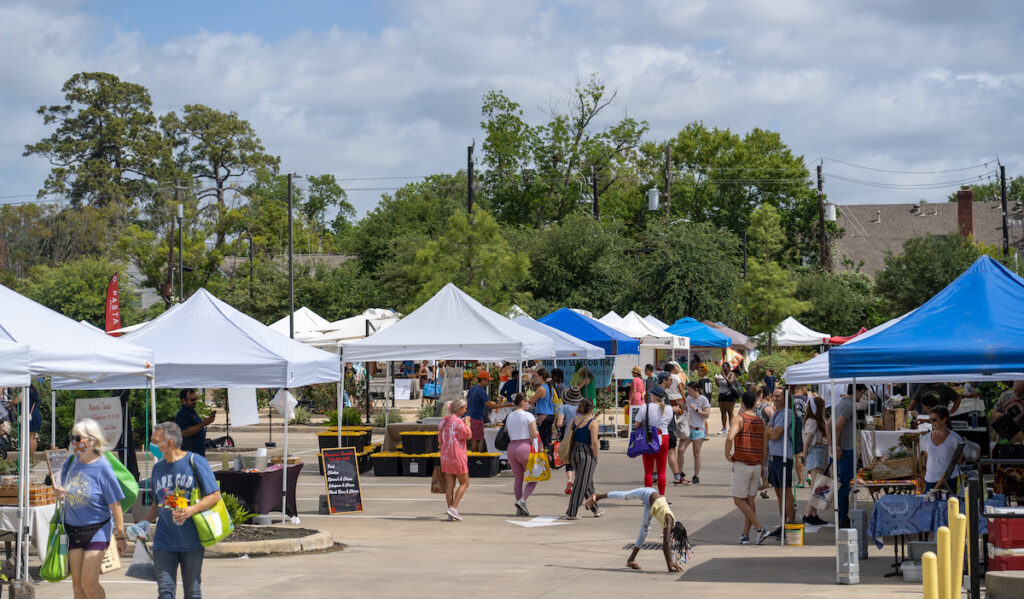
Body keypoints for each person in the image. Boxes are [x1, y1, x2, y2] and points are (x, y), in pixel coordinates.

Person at [138, 421, 220, 599]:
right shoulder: (158, 468)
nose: (152, 444)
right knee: (165, 591)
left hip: (192, 540)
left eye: (155, 440)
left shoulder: (195, 462)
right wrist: (143, 522)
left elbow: (214, 495)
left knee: (192, 592)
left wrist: (192, 509)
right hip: (164, 541)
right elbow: (157, 504)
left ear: (169, 443)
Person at [56, 419, 127, 599]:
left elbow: (115, 503)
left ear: (92, 441)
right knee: (77, 586)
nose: (74, 442)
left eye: (78, 438)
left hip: (97, 529)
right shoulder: (71, 462)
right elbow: (64, 489)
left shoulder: (102, 467)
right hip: (73, 530)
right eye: (73, 437)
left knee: (89, 582)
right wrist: (59, 493)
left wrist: (121, 535)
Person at [586, 487, 688, 572]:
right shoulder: (669, 520)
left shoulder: (671, 524)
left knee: (644, 531)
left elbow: (667, 543)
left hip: (652, 504)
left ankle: (631, 560)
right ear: (675, 532)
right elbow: (666, 542)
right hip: (647, 493)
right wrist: (670, 562)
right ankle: (597, 496)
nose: (672, 538)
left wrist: (669, 567)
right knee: (624, 495)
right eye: (674, 537)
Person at [725, 391, 771, 545]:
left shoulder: (739, 418)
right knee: (750, 500)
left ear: (742, 403)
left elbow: (730, 437)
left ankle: (759, 529)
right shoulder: (760, 421)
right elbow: (765, 446)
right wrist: (763, 465)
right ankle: (745, 534)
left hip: (743, 464)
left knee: (738, 500)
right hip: (757, 465)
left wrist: (727, 455)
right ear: (755, 403)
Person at [766, 388, 797, 538]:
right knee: (779, 492)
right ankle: (783, 523)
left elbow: (774, 434)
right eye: (773, 395)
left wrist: (767, 430)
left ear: (785, 398)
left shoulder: (788, 413)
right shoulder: (777, 413)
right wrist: (769, 431)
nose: (774, 398)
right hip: (775, 456)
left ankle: (791, 523)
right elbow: (770, 432)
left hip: (783, 456)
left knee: (786, 491)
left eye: (778, 396)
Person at [565, 398, 601, 520]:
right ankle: (571, 512)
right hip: (586, 453)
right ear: (591, 409)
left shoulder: (574, 420)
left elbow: (569, 436)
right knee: (581, 484)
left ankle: (596, 509)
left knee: (587, 481)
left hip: (574, 452)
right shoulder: (593, 422)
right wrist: (595, 455)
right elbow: (594, 442)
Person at [505, 393, 540, 516]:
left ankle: (519, 508)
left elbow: (506, 431)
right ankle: (522, 500)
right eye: (527, 401)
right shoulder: (528, 415)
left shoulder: (509, 416)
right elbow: (534, 433)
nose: (529, 403)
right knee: (533, 477)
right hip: (524, 446)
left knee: (518, 479)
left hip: (511, 448)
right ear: (522, 402)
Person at [635, 380, 672, 494]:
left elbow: (636, 424)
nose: (650, 395)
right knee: (662, 471)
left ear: (655, 396)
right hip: (664, 436)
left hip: (650, 437)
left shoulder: (645, 407)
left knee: (648, 471)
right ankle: (661, 496)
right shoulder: (669, 408)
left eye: (651, 394)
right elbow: (669, 422)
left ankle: (648, 497)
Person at [438, 398, 471, 521]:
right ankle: (454, 508)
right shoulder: (458, 422)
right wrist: (467, 423)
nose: (465, 410)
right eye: (464, 408)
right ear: (459, 409)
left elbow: (440, 441)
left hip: (446, 455)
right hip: (457, 454)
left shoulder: (443, 421)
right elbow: (468, 435)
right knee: (465, 482)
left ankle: (451, 511)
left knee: (450, 485)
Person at [830, 385, 856, 529]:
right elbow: (837, 426)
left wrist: (832, 445)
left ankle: (841, 515)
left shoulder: (841, 404)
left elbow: (829, 425)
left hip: (844, 449)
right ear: (857, 392)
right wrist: (837, 446)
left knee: (843, 484)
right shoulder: (848, 405)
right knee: (845, 485)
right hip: (846, 450)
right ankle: (842, 517)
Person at [801, 397, 830, 526]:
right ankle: (807, 515)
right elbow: (807, 441)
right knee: (816, 486)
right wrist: (804, 456)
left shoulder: (815, 420)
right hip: (816, 451)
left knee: (817, 485)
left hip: (819, 451)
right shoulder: (813, 421)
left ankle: (813, 514)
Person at [921, 406, 963, 492]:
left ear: (944, 420)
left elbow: (959, 460)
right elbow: (928, 456)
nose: (932, 423)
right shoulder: (926, 438)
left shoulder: (955, 439)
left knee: (950, 504)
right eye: (930, 420)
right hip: (930, 479)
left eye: (934, 420)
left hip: (949, 479)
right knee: (929, 505)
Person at [466, 371, 511, 452]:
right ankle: (475, 459)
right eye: (488, 380)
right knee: (476, 439)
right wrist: (506, 405)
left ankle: (473, 458)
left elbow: (468, 399)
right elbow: (490, 405)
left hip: (469, 416)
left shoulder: (473, 388)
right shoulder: (481, 391)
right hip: (477, 418)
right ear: (482, 380)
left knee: (472, 438)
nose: (489, 382)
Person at [678, 381, 711, 485]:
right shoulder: (688, 399)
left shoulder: (703, 400)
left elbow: (707, 415)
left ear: (696, 389)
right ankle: (679, 472)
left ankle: (696, 475)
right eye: (688, 390)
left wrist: (697, 410)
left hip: (698, 430)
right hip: (688, 428)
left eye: (690, 390)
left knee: (696, 453)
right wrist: (682, 406)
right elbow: (687, 411)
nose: (689, 392)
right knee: (680, 450)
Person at [555, 385, 584, 495]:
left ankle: (570, 480)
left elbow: (558, 423)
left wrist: (565, 422)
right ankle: (579, 482)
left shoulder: (564, 407)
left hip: (568, 436)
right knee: (580, 460)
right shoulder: (582, 407)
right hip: (581, 435)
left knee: (569, 460)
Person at [175, 389, 214, 458]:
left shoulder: (191, 411)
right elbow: (184, 432)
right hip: (190, 455)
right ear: (183, 400)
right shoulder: (183, 414)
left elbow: (196, 427)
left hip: (198, 454)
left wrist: (206, 422)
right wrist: (203, 424)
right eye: (192, 400)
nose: (195, 402)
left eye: (196, 399)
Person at [790, 384, 810, 488]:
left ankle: (801, 481)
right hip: (807, 427)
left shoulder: (789, 400)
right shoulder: (808, 400)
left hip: (794, 428)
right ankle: (810, 474)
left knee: (797, 454)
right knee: (808, 451)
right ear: (803, 388)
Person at [530, 368, 556, 447]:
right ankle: (550, 456)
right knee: (548, 439)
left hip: (543, 415)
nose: (537, 378)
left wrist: (529, 399)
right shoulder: (550, 387)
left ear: (541, 377)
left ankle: (547, 457)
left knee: (544, 440)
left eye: (537, 376)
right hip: (550, 414)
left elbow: (532, 401)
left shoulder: (541, 388)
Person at [716, 363, 738, 435]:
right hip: (721, 395)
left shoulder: (732, 374)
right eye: (722, 366)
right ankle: (724, 428)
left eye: (724, 366)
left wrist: (724, 376)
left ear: (728, 367)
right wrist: (716, 380)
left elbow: (730, 382)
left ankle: (731, 428)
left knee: (730, 412)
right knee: (723, 412)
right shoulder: (721, 374)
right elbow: (718, 385)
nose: (722, 368)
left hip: (729, 395)